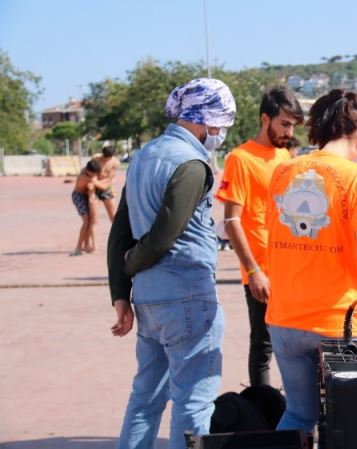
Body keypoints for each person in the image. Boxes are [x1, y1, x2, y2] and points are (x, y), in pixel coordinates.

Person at [106, 78, 236, 449]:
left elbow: (119, 232)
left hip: (148, 301)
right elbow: (164, 235)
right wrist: (132, 265)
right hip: (188, 300)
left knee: (145, 399)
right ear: (205, 120)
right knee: (193, 403)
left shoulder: (144, 156)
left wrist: (121, 292)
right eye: (220, 125)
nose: (220, 133)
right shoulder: (192, 164)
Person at [265, 89, 357, 433]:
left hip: (285, 316)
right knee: (348, 423)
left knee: (299, 415)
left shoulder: (283, 171)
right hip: (338, 321)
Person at [215, 86, 304, 387]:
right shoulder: (240, 158)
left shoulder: (285, 155)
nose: (289, 132)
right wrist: (252, 270)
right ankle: (264, 417)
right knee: (264, 346)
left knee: (299, 345)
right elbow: (230, 220)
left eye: (293, 125)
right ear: (265, 119)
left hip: (293, 268)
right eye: (285, 124)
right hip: (261, 272)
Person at [70, 159, 107, 256]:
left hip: (86, 195)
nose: (95, 174)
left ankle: (86, 245)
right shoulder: (84, 177)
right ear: (88, 170)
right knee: (86, 222)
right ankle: (78, 247)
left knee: (91, 221)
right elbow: (103, 186)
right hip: (79, 197)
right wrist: (109, 181)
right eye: (93, 173)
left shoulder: (89, 172)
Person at [93, 146, 121, 220]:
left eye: (108, 157)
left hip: (106, 188)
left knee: (113, 214)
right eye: (104, 156)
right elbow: (91, 172)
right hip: (94, 188)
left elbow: (110, 178)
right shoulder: (96, 158)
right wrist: (94, 182)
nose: (105, 159)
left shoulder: (115, 162)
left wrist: (97, 182)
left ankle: (116, 231)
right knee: (93, 216)